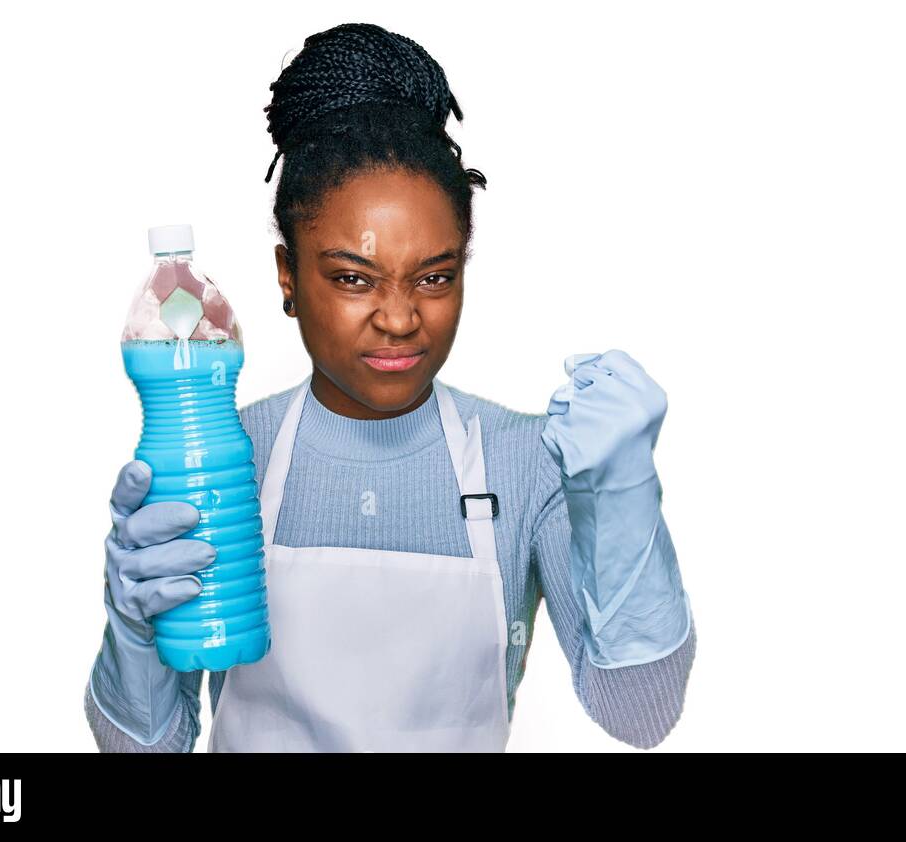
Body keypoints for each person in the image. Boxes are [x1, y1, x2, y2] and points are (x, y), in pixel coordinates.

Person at [85, 22, 696, 752]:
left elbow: (640, 717)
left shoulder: (527, 461)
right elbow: (146, 749)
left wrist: (627, 503)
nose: (401, 318)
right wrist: (131, 628)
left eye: (435, 277)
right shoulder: (222, 455)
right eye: (353, 278)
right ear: (288, 276)